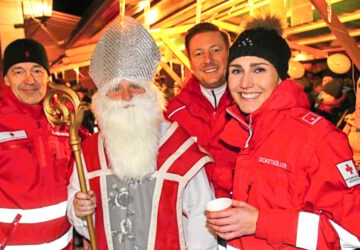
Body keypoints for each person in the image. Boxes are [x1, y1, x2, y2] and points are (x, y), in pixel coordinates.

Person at [206, 15, 360, 249]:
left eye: (259, 69)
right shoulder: (243, 131)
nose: (245, 83)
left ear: (280, 77)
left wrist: (260, 222)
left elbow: (350, 234)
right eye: (236, 71)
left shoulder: (319, 139)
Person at [67, 16, 217, 250]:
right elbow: (82, 220)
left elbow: (202, 217)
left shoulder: (181, 149)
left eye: (135, 87)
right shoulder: (88, 154)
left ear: (151, 93)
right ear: (102, 99)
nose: (127, 97)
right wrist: (78, 210)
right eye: (116, 89)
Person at [0, 38, 73, 249]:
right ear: (6, 79)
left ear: (48, 77)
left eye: (37, 70)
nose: (29, 80)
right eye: (18, 71)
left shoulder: (62, 123)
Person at [165, 22, 237, 198]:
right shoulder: (172, 113)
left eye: (215, 50)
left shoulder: (249, 103)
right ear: (190, 62)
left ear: (229, 53)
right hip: (195, 217)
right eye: (198, 54)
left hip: (244, 215)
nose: (207, 60)